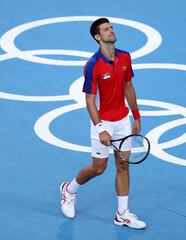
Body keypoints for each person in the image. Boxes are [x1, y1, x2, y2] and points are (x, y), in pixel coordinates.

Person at [60, 18, 146, 229]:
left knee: (123, 165)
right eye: (106, 29)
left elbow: (128, 86)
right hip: (103, 121)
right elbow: (89, 100)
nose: (111, 31)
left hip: (123, 121)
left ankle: (122, 214)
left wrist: (136, 115)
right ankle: (69, 189)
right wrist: (101, 128)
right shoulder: (92, 65)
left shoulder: (125, 57)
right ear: (98, 37)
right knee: (99, 168)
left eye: (111, 27)